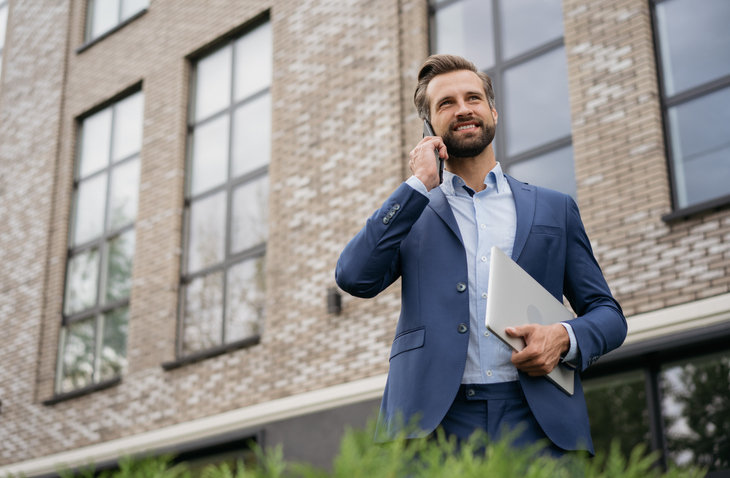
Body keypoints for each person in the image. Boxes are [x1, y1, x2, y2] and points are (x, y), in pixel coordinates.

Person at [335, 54, 626, 455]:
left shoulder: (554, 208)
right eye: (446, 103)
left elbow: (608, 315)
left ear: (492, 111)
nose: (463, 109)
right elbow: (354, 277)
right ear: (429, 126)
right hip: (432, 426)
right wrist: (419, 184)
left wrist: (563, 337)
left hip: (540, 421)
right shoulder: (412, 212)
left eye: (472, 98)